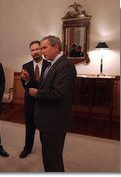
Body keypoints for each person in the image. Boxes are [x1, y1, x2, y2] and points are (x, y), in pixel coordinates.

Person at [28, 35, 77, 172]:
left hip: (54, 122)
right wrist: (29, 83)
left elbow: (58, 93)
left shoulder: (65, 66)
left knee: (53, 159)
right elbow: (46, 86)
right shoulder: (52, 64)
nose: (42, 51)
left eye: (44, 47)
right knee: (49, 157)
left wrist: (37, 93)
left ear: (56, 47)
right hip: (48, 120)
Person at [19, 40, 50, 158]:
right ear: (30, 52)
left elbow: (45, 86)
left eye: (37, 49)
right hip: (30, 102)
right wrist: (26, 81)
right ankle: (27, 148)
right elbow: (25, 86)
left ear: (41, 50)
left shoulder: (49, 65)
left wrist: (30, 82)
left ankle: (47, 151)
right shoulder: (25, 66)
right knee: (29, 128)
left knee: (45, 129)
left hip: (45, 103)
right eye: (33, 50)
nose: (35, 52)